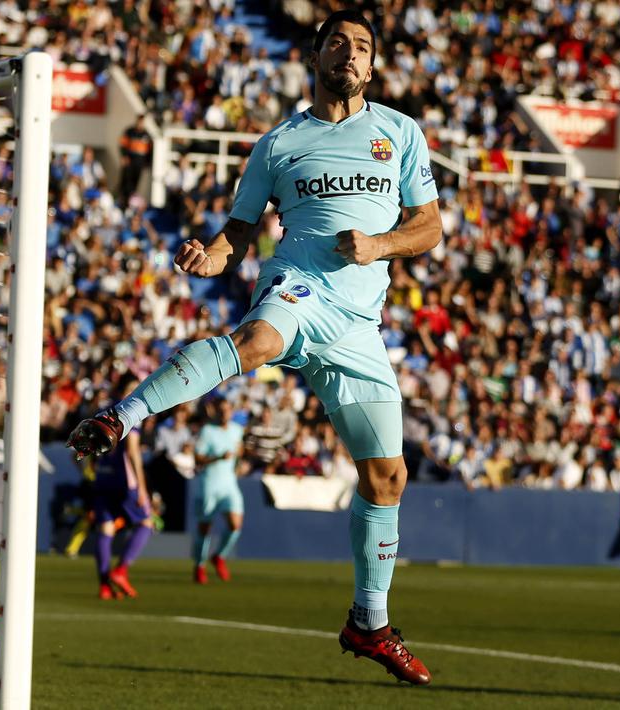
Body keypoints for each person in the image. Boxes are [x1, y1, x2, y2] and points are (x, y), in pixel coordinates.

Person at [67, 10, 439, 685]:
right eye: (337, 44)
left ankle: (368, 623)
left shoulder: (399, 133)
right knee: (257, 339)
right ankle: (122, 415)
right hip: (297, 283)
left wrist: (381, 245)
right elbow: (238, 231)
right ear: (314, 55)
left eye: (361, 47)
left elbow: (428, 226)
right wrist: (211, 257)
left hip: (359, 324)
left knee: (387, 479)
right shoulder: (279, 144)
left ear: (373, 64)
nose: (349, 56)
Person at [90, 378, 154, 600]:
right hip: (125, 481)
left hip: (102, 479)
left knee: (106, 530)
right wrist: (143, 488)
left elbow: (79, 452)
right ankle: (121, 570)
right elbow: (133, 452)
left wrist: (93, 471)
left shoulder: (101, 413)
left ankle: (104, 585)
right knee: (146, 522)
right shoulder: (131, 412)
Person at [192, 397, 246, 584]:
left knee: (235, 525)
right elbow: (198, 459)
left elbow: (239, 452)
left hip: (229, 484)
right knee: (205, 527)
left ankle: (219, 556)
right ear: (216, 411)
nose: (224, 413)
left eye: (227, 410)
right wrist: (217, 457)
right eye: (221, 410)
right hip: (210, 483)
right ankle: (199, 565)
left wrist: (239, 463)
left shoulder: (237, 430)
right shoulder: (207, 431)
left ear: (232, 411)